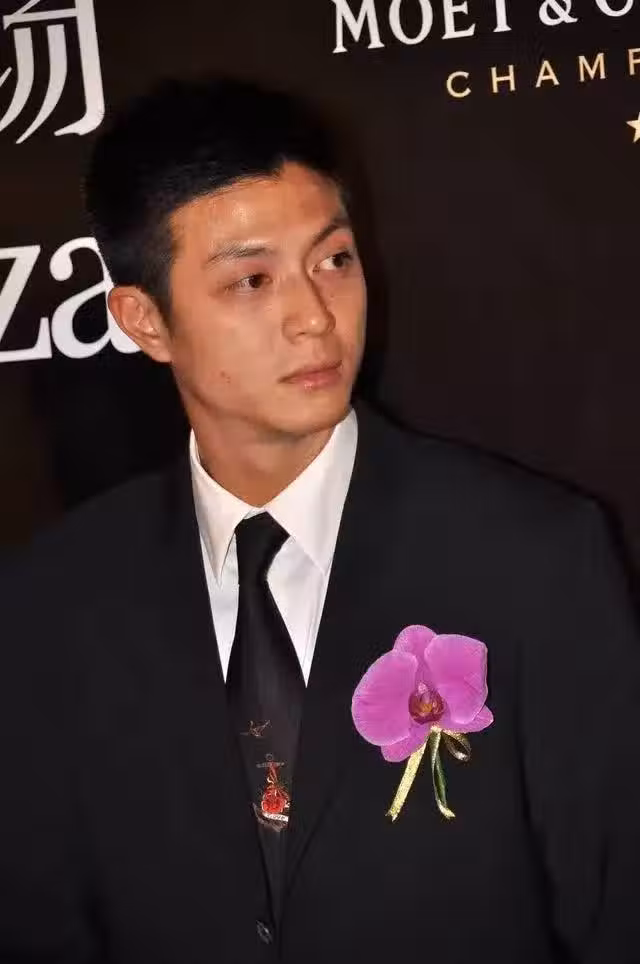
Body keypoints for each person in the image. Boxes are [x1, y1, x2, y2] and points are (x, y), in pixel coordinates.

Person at [1, 76, 639, 964]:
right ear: (145, 321)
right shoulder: (50, 605)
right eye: (252, 280)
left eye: (334, 259)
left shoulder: (536, 559)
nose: (313, 316)